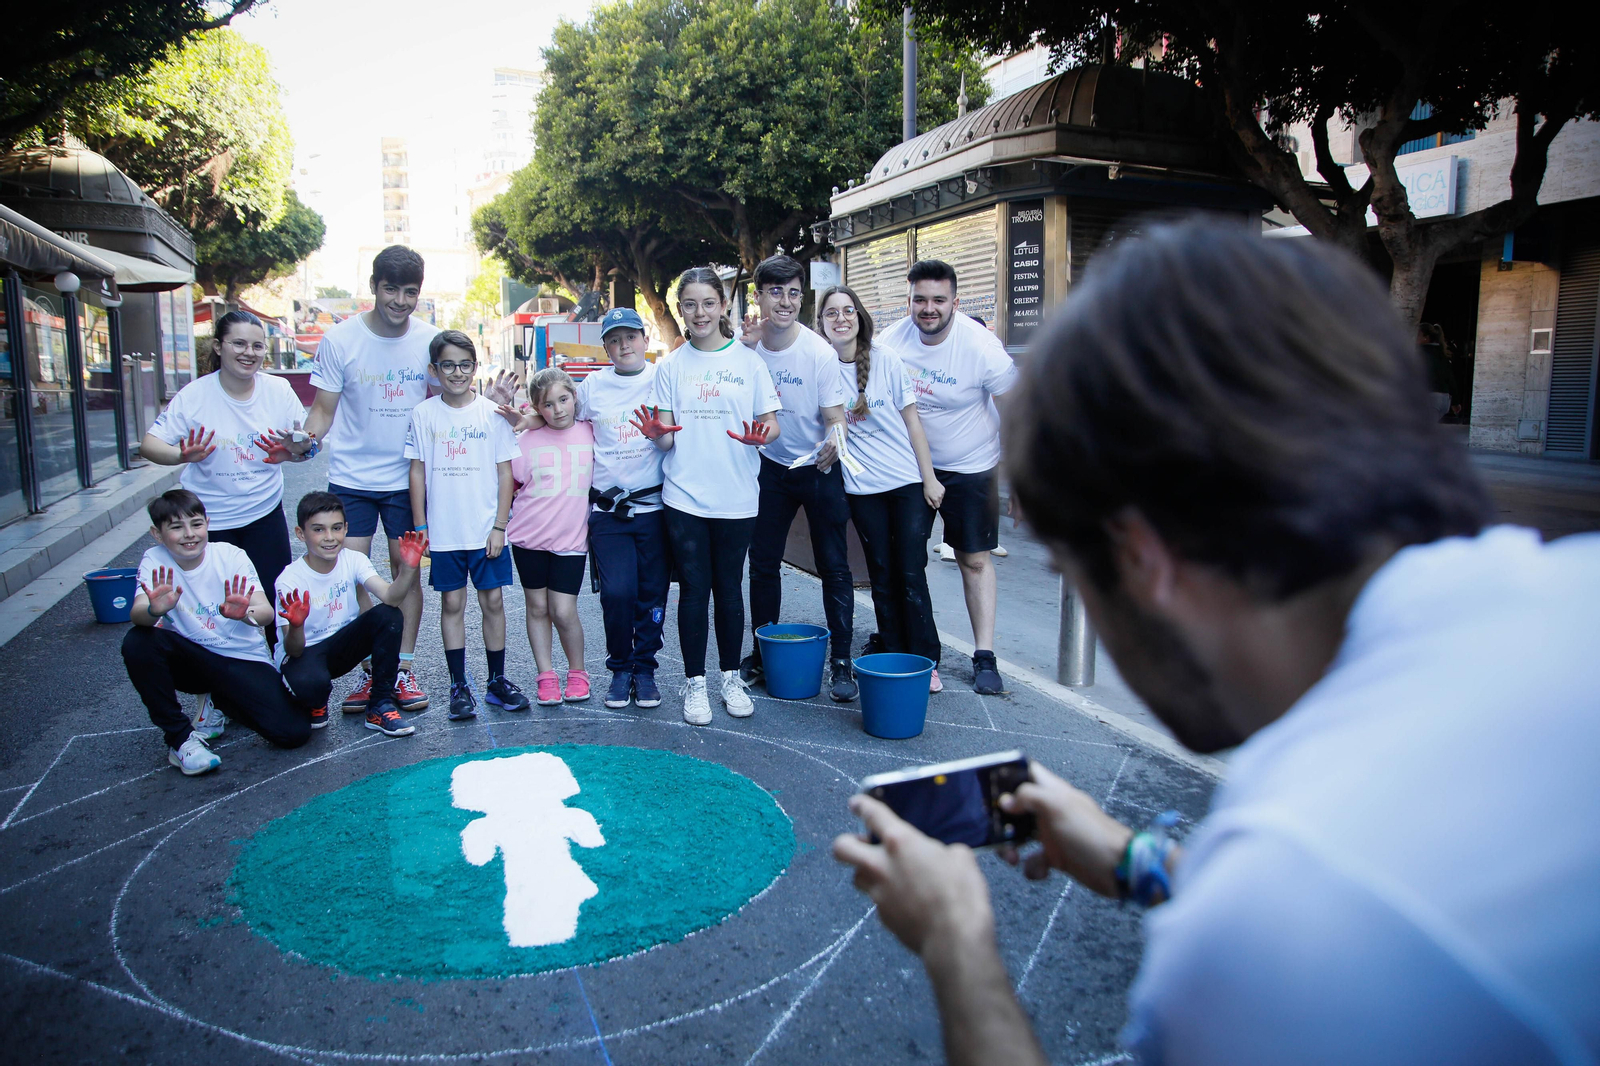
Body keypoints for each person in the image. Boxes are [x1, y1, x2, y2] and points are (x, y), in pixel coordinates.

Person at [833, 222, 1600, 1065]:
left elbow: (1328, 914)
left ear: (1144, 558)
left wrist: (957, 948)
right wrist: (1136, 861)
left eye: (1072, 567)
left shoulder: (1276, 918)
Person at [500, 307, 669, 711]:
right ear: (606, 347)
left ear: (645, 339)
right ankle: (620, 668)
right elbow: (561, 414)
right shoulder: (592, 386)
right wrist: (527, 420)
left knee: (652, 594)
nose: (624, 345)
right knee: (617, 592)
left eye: (631, 336)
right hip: (609, 512)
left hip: (656, 507)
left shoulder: (664, 378)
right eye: (614, 339)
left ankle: (644, 669)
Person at [636, 266, 780, 726]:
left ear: (723, 307)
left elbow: (771, 424)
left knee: (730, 589)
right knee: (695, 590)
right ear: (681, 311)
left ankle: (729, 677)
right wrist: (657, 434)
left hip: (738, 495)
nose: (699, 313)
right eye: (690, 305)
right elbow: (666, 438)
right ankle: (695, 684)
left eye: (708, 303)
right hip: (685, 497)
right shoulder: (672, 366)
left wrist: (764, 437)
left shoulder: (750, 363)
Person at [303, 246, 438, 714]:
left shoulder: (430, 340)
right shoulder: (340, 340)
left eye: (410, 292)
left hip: (409, 481)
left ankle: (400, 668)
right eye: (391, 289)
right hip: (353, 480)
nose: (400, 300)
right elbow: (322, 410)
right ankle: (371, 673)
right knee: (357, 578)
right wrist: (306, 441)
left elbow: (447, 406)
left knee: (407, 573)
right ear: (374, 287)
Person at [878, 260, 1017, 695]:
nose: (928, 308)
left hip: (972, 463)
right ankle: (905, 645)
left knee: (973, 559)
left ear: (955, 302)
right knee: (905, 561)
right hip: (910, 466)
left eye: (938, 300)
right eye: (920, 299)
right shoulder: (891, 341)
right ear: (909, 301)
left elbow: (1017, 411)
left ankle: (984, 656)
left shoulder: (981, 348)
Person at [122, 490, 308, 776]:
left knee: (294, 733)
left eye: (196, 524)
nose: (189, 534)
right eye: (175, 527)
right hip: (192, 659)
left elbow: (266, 613)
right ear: (157, 534)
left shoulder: (229, 555)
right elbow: (138, 614)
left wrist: (244, 614)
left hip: (240, 658)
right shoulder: (154, 559)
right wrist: (154, 610)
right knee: (138, 641)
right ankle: (180, 740)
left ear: (207, 523)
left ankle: (220, 699)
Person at [737, 255, 856, 702]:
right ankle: (761, 654)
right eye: (774, 292)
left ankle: (841, 661)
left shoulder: (819, 352)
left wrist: (834, 442)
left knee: (834, 564)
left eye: (792, 293)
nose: (784, 302)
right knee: (763, 561)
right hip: (770, 465)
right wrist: (744, 349)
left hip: (817, 466)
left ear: (801, 296)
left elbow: (835, 417)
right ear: (759, 296)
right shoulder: (746, 345)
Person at [818, 286, 946, 691]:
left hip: (906, 483)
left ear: (859, 317)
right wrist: (826, 449)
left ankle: (926, 660)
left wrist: (930, 477)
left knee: (910, 570)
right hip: (862, 488)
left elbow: (913, 423)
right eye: (831, 313)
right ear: (821, 324)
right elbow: (836, 428)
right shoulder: (824, 369)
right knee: (881, 574)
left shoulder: (887, 359)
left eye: (847, 311)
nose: (841, 319)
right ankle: (893, 652)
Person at [405, 330, 529, 721]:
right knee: (452, 603)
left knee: (492, 601)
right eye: (448, 365)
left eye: (464, 365)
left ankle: (496, 681)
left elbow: (506, 474)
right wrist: (421, 526)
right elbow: (417, 473)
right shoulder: (424, 415)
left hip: (484, 531)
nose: (456, 372)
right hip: (444, 532)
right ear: (434, 370)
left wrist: (499, 526)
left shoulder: (491, 413)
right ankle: (458, 685)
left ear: (475, 368)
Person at [275, 491, 428, 737]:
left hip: (341, 647)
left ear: (346, 529)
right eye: (318, 530)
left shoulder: (353, 560)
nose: (329, 537)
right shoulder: (289, 580)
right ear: (300, 534)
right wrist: (295, 625)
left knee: (389, 616)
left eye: (336, 528)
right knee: (310, 686)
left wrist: (408, 569)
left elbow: (390, 597)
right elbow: (293, 650)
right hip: (304, 653)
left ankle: (379, 704)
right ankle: (315, 701)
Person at [503, 367, 595, 706]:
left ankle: (577, 672)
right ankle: (546, 675)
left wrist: (533, 418)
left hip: (571, 540)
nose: (558, 410)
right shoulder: (524, 441)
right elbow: (509, 486)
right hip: (528, 537)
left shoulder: (590, 433)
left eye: (563, 399)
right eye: (547, 405)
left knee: (563, 610)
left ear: (574, 397)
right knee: (538, 607)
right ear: (536, 407)